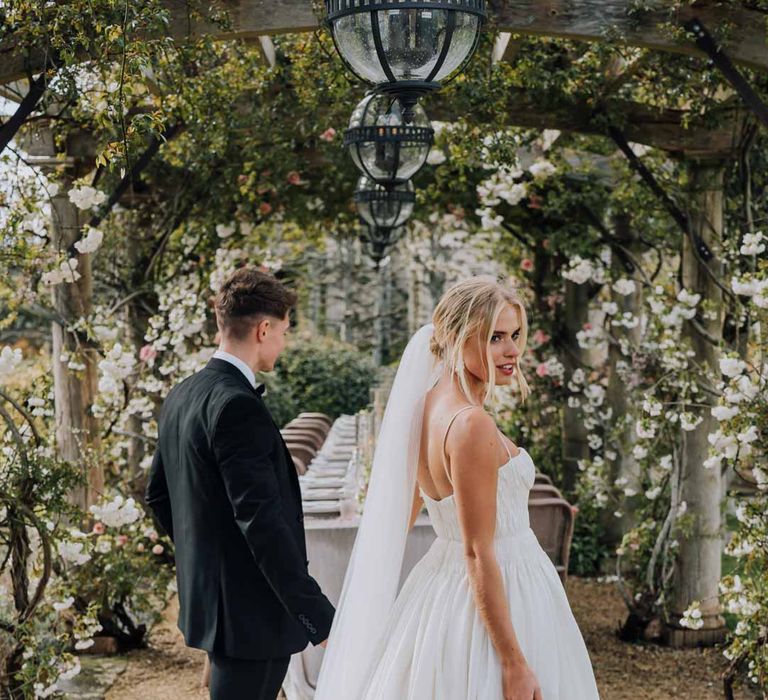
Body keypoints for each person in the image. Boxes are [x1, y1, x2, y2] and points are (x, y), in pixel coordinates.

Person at [315, 275, 600, 699]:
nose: (512, 351)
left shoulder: (424, 407)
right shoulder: (469, 425)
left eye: (515, 335)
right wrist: (512, 662)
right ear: (454, 338)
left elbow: (404, 513)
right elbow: (477, 550)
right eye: (494, 337)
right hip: (497, 587)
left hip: (441, 586)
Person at [146, 267, 335, 700]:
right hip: (251, 616)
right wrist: (316, 616)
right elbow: (262, 523)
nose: (284, 343)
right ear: (264, 328)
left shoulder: (182, 393)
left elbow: (158, 494)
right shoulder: (236, 405)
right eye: (284, 331)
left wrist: (208, 560)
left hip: (215, 608)